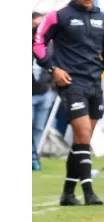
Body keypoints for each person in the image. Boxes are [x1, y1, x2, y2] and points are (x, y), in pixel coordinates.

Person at [33, 0, 104, 206]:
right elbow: (37, 43)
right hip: (71, 84)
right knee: (83, 135)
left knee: (81, 142)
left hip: (94, 85)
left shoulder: (102, 20)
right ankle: (88, 191)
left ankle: (67, 193)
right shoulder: (59, 17)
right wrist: (53, 68)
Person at [32, 12, 55, 171]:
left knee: (39, 128)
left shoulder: (50, 43)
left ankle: (34, 156)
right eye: (34, 25)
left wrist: (50, 84)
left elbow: (54, 63)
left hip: (45, 92)